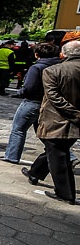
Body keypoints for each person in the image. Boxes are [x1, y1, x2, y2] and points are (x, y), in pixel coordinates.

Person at [27, 40, 80, 204]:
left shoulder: (53, 71)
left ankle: (66, 194)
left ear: (63, 54)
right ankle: (35, 172)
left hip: (57, 119)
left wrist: (76, 114)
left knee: (58, 155)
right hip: (72, 121)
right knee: (56, 149)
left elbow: (54, 98)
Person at [0, 43, 60, 164]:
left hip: (32, 102)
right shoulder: (59, 66)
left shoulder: (37, 68)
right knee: (43, 132)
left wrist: (20, 93)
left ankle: (11, 156)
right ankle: (69, 156)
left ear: (36, 54)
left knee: (18, 129)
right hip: (49, 103)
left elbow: (29, 87)